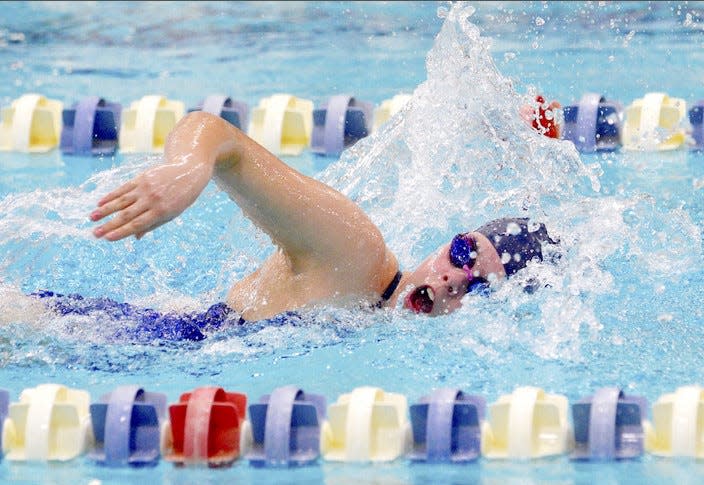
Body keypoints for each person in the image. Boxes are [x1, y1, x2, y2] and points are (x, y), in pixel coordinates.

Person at [82, 111, 556, 332]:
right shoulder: (355, 249)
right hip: (136, 333)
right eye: (462, 253)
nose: (454, 279)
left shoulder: (376, 326)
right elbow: (213, 132)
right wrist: (187, 168)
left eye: (478, 288)